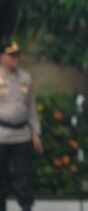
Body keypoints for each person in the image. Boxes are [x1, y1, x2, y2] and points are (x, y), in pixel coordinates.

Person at [0, 41, 43, 211]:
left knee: (24, 176)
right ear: (3, 57)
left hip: (22, 135)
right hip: (1, 135)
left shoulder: (25, 77)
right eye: (11, 56)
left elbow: (31, 107)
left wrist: (36, 133)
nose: (15, 59)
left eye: (17, 56)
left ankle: (26, 207)